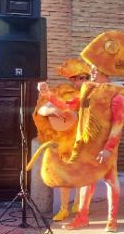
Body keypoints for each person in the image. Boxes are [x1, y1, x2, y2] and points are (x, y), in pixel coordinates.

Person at [29, 31, 124, 232]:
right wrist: (48, 95)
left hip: (105, 147)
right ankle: (82, 217)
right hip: (85, 145)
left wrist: (109, 149)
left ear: (103, 70)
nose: (91, 72)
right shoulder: (87, 90)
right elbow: (69, 105)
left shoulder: (117, 94)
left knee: (111, 180)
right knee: (86, 180)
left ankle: (112, 220)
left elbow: (117, 125)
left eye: (94, 69)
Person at [33, 58, 91, 221]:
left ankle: (80, 206)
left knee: (81, 175)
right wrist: (51, 110)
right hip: (63, 141)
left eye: (85, 78)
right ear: (72, 79)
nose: (82, 81)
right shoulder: (62, 92)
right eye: (79, 78)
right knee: (64, 176)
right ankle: (64, 208)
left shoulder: (91, 94)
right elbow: (42, 109)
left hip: (82, 140)